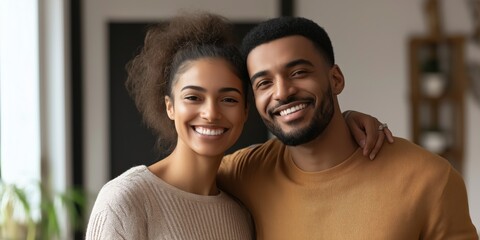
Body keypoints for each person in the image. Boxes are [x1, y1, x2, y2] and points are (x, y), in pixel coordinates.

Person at [85, 12, 393, 239]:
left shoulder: (242, 207)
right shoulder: (126, 202)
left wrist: (348, 118)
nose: (211, 113)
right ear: (169, 106)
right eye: (193, 97)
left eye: (228, 99)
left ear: (246, 111)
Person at [217, 16, 479, 239]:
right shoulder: (245, 172)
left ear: (336, 79)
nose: (282, 92)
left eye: (298, 72)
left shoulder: (430, 179)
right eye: (264, 83)